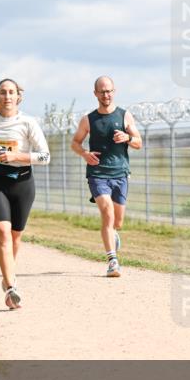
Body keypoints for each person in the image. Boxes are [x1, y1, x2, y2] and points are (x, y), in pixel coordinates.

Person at [0, 79, 50, 309]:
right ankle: (12, 287)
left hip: (23, 182)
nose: (7, 96)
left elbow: (45, 157)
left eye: (11, 92)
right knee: (2, 232)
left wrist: (18, 157)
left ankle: (7, 277)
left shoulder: (28, 123)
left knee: (15, 236)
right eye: (2, 92)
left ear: (18, 97)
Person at [70, 76, 142, 277]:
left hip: (120, 173)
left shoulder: (124, 115)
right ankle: (112, 261)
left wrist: (127, 138)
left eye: (109, 91)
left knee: (117, 221)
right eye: (102, 91)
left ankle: (113, 234)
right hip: (98, 173)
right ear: (95, 94)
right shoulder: (88, 119)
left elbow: (139, 142)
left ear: (114, 91)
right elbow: (75, 142)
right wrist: (84, 154)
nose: (106, 95)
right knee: (107, 212)